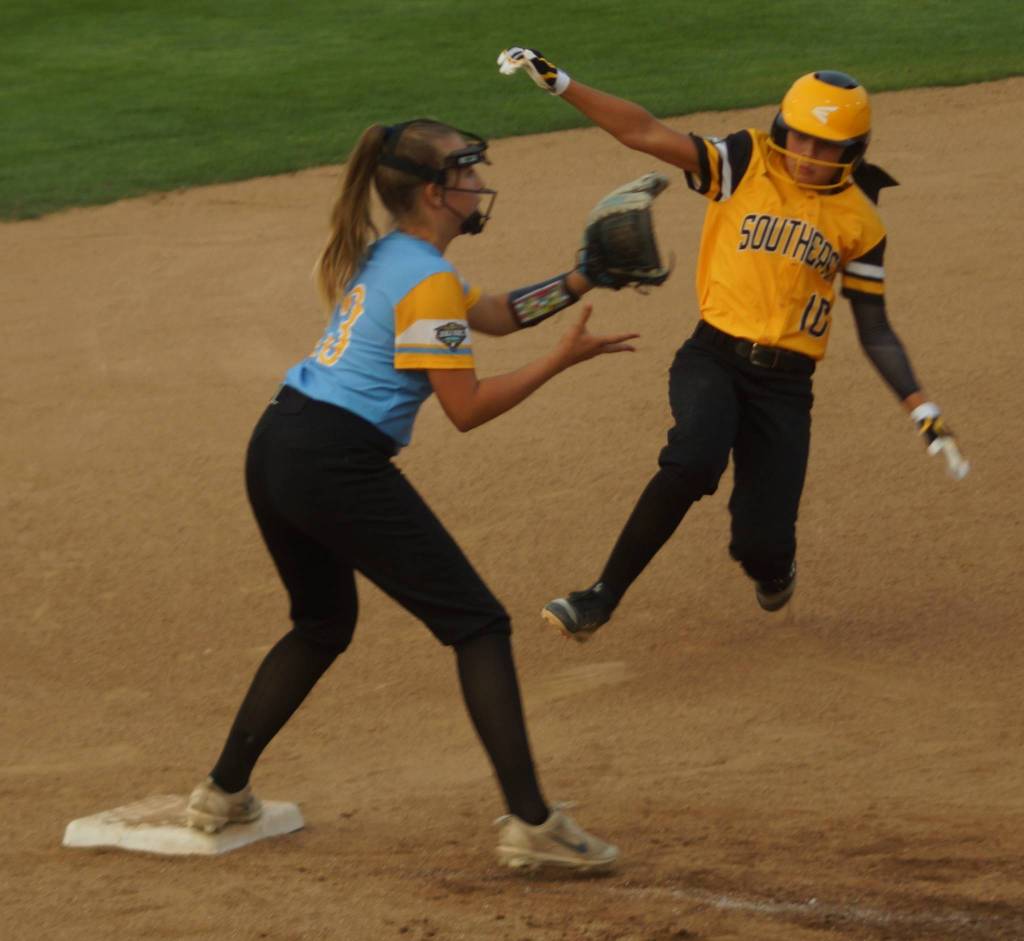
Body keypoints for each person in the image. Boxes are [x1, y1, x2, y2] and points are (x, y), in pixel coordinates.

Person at [184, 117, 640, 872]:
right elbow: (466, 409)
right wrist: (560, 361)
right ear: (435, 192)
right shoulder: (426, 279)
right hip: (334, 461)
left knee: (322, 623)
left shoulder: (397, 253)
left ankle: (222, 791)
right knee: (478, 624)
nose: (479, 182)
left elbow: (496, 315)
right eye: (467, 171)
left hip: (279, 443)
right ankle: (532, 822)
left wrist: (582, 277)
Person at [496, 48, 969, 640]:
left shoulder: (861, 221)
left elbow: (875, 329)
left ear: (853, 152)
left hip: (786, 387)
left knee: (760, 544)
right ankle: (600, 596)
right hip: (713, 357)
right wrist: (561, 83)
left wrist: (922, 409)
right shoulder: (745, 160)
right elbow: (644, 132)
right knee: (693, 458)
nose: (806, 154)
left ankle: (774, 568)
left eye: (825, 146)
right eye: (798, 136)